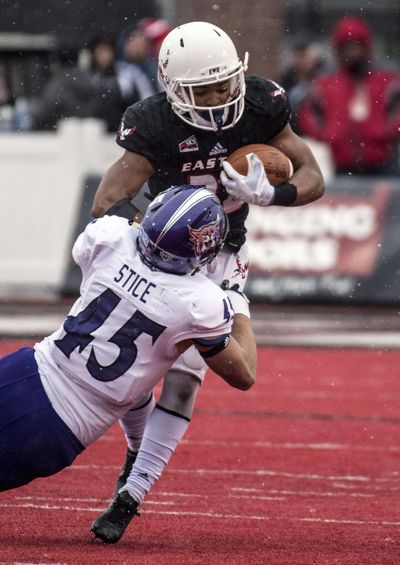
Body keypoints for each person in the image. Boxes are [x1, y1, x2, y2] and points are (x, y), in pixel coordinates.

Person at [91, 20, 325, 540]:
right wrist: (145, 228)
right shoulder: (152, 123)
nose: (220, 98)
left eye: (225, 84)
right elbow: (107, 200)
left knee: (186, 378)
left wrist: (272, 196)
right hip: (158, 257)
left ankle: (130, 496)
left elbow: (313, 176)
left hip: (221, 258)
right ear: (175, 89)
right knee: (130, 381)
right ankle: (136, 449)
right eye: (205, 89)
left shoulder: (263, 104)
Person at [0, 185, 256, 515]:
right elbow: (244, 374)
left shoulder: (112, 237)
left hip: (28, 370)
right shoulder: (199, 303)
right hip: (64, 424)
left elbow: (90, 262)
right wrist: (237, 301)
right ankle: (135, 475)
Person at [298, 15, 400, 175]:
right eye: (347, 47)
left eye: (356, 46)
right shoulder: (327, 82)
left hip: (383, 162)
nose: (352, 52)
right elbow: (309, 114)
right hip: (341, 163)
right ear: (339, 50)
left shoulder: (385, 79)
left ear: (365, 47)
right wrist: (329, 135)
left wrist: (384, 132)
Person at [279, 33, 326, 135]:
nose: (302, 61)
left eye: (305, 55)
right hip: (294, 135)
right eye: (299, 55)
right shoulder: (286, 82)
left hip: (319, 137)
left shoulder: (325, 80)